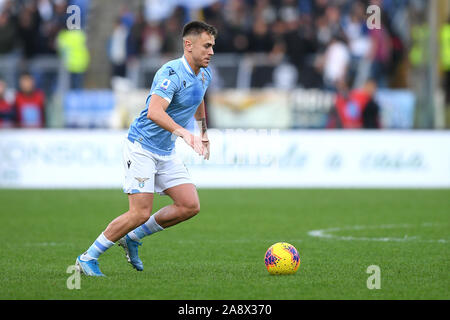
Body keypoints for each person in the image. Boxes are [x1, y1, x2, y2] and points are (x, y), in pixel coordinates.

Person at [75, 21, 216, 276]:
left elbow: (198, 99)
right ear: (188, 45)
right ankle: (87, 257)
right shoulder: (170, 73)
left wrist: (202, 132)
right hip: (142, 146)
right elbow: (153, 112)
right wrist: (184, 133)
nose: (211, 52)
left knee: (189, 205)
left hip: (166, 150)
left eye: (212, 46)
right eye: (206, 46)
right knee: (139, 212)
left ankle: (133, 238)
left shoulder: (205, 74)